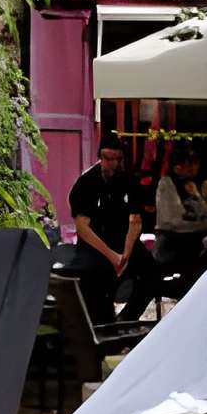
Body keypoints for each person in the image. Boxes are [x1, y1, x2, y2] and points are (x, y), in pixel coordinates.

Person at [67, 138, 161, 329]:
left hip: (122, 241)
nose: (113, 164)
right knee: (97, 277)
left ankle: (126, 319)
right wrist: (112, 257)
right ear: (100, 158)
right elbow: (83, 228)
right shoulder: (86, 184)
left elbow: (135, 220)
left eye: (118, 159)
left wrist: (125, 254)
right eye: (108, 158)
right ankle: (103, 326)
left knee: (151, 272)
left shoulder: (129, 180)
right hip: (94, 245)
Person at [153, 146, 207, 294]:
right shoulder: (167, 183)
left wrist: (196, 196)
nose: (192, 168)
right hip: (171, 242)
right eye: (188, 164)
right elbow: (173, 221)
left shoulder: (203, 184)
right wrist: (203, 224)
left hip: (195, 240)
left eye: (194, 164)